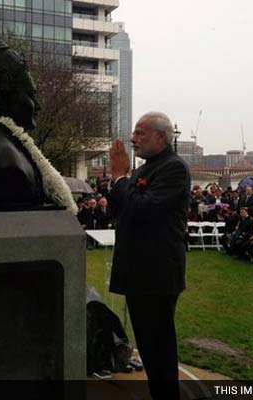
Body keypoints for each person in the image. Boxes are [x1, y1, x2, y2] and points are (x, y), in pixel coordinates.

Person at [108, 111, 190, 400]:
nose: (133, 139)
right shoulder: (144, 170)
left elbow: (144, 210)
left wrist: (120, 178)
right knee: (147, 345)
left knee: (159, 350)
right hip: (137, 272)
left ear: (161, 137)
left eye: (141, 133)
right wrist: (119, 184)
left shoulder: (174, 169)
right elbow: (118, 211)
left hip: (157, 274)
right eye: (134, 132)